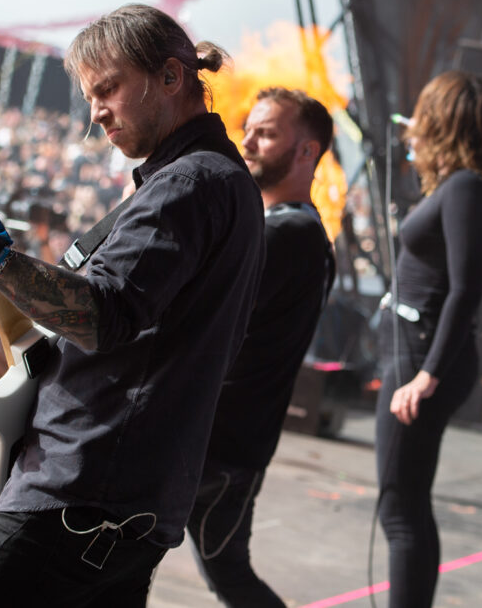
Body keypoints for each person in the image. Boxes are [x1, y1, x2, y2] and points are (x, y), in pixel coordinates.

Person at [0, 4, 265, 606]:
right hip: (120, 495)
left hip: (87, 489)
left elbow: (100, 316)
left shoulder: (189, 184)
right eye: (90, 95)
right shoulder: (206, 179)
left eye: (107, 88)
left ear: (170, 76)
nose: (95, 113)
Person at [186, 87, 336, 607]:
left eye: (266, 133)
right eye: (248, 127)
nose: (246, 140)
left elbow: (199, 317)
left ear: (307, 152)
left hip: (215, 446)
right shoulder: (294, 231)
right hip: (223, 443)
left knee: (223, 572)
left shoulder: (289, 233)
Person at [375, 70, 482, 607]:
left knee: (401, 510)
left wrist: (425, 376)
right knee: (405, 506)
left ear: (443, 121)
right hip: (418, 350)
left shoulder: (467, 189)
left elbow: (465, 290)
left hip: (423, 356)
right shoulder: (466, 186)